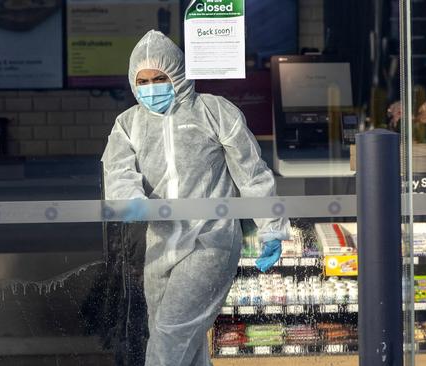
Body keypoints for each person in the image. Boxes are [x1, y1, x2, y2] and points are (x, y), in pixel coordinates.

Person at [101, 30, 289, 366]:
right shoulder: (128, 124)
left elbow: (251, 173)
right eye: (142, 81)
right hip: (160, 243)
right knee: (174, 336)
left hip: (210, 239)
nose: (151, 88)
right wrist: (130, 199)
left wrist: (271, 226)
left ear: (177, 74)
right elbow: (117, 171)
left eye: (159, 78)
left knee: (171, 335)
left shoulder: (215, 112)